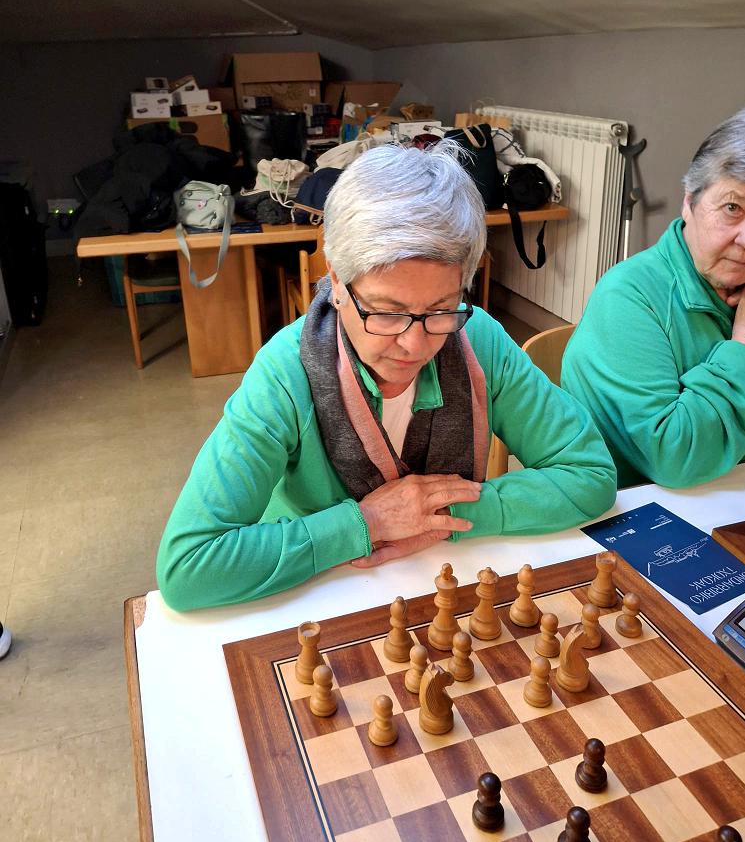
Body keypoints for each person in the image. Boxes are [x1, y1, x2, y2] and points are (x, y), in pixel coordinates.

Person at [157, 143, 616, 611]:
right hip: (318, 597)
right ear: (337, 282)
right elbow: (189, 568)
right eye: (386, 312)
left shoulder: (478, 340)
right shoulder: (285, 374)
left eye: (441, 309)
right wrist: (367, 523)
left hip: (443, 582)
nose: (414, 345)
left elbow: (591, 474)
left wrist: (441, 512)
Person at [562, 104, 745, 489]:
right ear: (689, 202)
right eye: (733, 207)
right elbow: (675, 460)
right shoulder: (627, 298)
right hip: (639, 511)